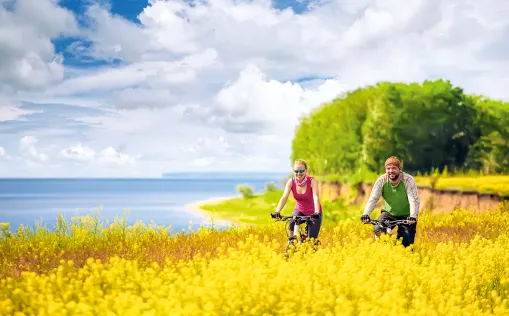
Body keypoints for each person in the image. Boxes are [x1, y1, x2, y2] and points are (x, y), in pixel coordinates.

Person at [360, 156, 420, 247]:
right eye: (388, 168)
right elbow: (373, 198)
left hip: (407, 216)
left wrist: (413, 216)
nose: (391, 171)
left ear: (399, 169)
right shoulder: (381, 180)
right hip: (389, 213)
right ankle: (385, 252)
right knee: (378, 229)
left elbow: (413, 200)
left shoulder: (408, 180)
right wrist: (366, 214)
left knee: (406, 242)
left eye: (393, 168)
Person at [273, 159, 322, 242]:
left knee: (311, 241)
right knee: (292, 221)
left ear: (306, 171)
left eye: (301, 171)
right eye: (296, 171)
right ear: (293, 171)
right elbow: (284, 197)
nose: (299, 173)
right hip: (300, 210)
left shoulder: (312, 181)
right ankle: (291, 242)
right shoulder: (291, 182)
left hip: (314, 212)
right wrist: (277, 211)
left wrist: (316, 212)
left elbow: (316, 197)